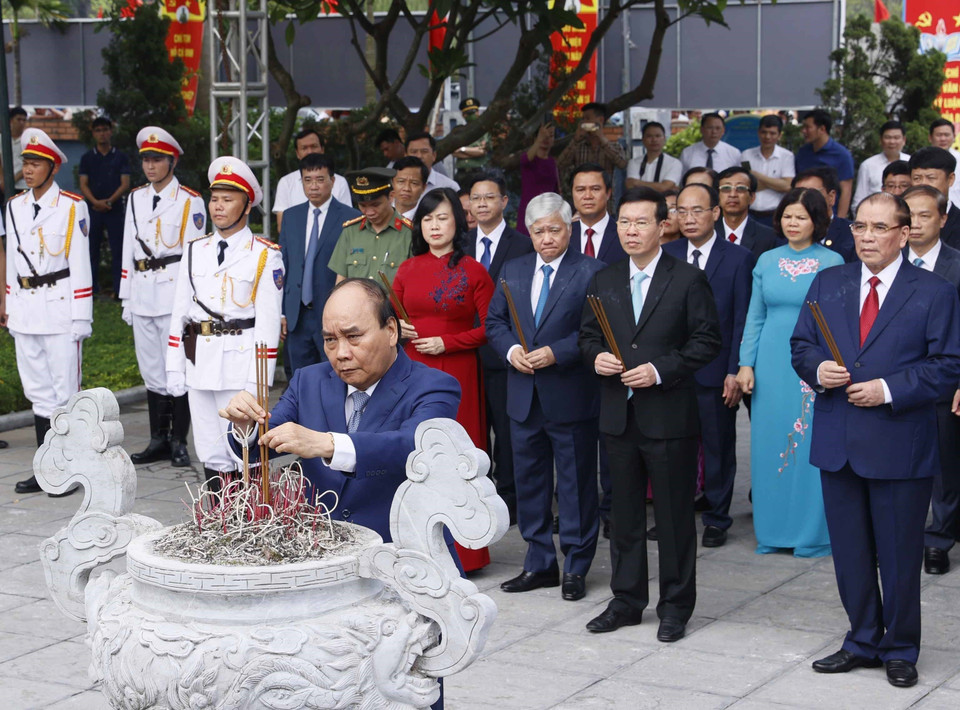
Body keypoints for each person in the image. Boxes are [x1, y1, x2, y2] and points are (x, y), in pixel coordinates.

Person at [791, 191, 960, 689]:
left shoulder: (932, 292)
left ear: (904, 234)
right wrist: (816, 368)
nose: (866, 236)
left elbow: (948, 364)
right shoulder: (829, 282)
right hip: (838, 439)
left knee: (900, 554)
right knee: (850, 552)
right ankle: (862, 639)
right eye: (860, 226)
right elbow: (801, 344)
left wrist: (888, 389)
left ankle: (901, 646)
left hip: (898, 441)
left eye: (879, 227)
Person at [579, 187, 722, 640]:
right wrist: (595, 358)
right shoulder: (604, 279)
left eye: (641, 222)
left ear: (663, 226)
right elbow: (587, 336)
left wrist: (660, 371)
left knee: (676, 516)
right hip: (617, 416)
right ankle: (626, 600)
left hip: (669, 415)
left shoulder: (687, 279)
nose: (631, 230)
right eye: (624, 222)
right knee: (622, 515)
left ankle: (676, 607)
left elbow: (706, 342)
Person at [486, 192, 605, 602]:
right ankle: (539, 562)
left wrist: (559, 352)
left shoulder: (591, 271)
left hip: (570, 392)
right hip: (523, 394)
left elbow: (598, 330)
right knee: (530, 483)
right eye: (539, 231)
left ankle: (575, 563)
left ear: (568, 229)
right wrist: (510, 350)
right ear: (530, 233)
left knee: (575, 484)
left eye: (554, 229)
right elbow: (495, 321)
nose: (547, 238)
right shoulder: (513, 268)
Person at [165, 157, 284, 490]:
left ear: (247, 206)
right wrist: (174, 367)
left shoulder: (264, 254)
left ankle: (247, 520)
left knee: (243, 450)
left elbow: (268, 326)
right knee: (209, 449)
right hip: (200, 361)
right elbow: (180, 314)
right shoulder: (195, 250)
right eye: (215, 198)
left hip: (240, 364)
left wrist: (258, 384)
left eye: (228, 199)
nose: (218, 207)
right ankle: (217, 517)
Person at [393, 187, 495, 572]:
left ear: (458, 222)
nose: (435, 226)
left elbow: (489, 328)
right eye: (428, 218)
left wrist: (448, 342)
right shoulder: (406, 269)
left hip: (457, 371)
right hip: (412, 369)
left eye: (443, 217)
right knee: (414, 456)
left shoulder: (473, 270)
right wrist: (398, 328)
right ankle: (419, 546)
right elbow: (391, 319)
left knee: (456, 459)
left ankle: (468, 554)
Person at [737, 188, 843, 557]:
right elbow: (755, 316)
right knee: (768, 446)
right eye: (787, 216)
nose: (792, 223)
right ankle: (772, 532)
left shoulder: (832, 262)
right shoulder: (765, 261)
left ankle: (811, 534)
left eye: (801, 216)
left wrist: (829, 366)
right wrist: (745, 364)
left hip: (812, 363)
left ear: (817, 220)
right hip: (769, 362)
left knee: (809, 446)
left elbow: (837, 322)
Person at [663, 184, 753, 547]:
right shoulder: (666, 253)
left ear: (715, 213)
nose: (688, 218)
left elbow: (742, 317)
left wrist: (735, 369)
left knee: (718, 446)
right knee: (674, 448)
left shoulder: (738, 257)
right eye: (681, 211)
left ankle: (717, 516)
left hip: (717, 371)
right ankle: (678, 514)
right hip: (670, 371)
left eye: (697, 210)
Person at [6, 128, 92, 496]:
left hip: (59, 309)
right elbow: (11, 261)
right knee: (38, 392)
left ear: (53, 168)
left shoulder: (72, 206)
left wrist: (81, 317)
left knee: (65, 393)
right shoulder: (13, 207)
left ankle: (69, 469)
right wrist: (9, 306)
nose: (28, 169)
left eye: (36, 163)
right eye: (26, 162)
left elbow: (81, 265)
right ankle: (46, 470)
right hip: (26, 310)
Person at [119, 127, 206, 468]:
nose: (150, 166)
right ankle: (158, 438)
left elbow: (194, 256)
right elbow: (129, 248)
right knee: (152, 370)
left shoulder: (189, 200)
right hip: (142, 292)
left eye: (157, 160)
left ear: (172, 162)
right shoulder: (136, 198)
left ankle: (179, 440)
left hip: (173, 295)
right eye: (146, 160)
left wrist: (192, 305)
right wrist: (126, 297)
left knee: (178, 369)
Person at [466, 170, 534, 521]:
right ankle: (477, 496)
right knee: (472, 429)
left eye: (489, 197)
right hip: (464, 354)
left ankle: (510, 497)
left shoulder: (523, 244)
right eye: (476, 197)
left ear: (505, 202)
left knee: (507, 431)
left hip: (506, 353)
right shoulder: (460, 242)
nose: (482, 204)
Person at [901, 185, 960, 576]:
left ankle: (939, 538)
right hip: (894, 380)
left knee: (945, 466)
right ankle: (897, 537)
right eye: (910, 216)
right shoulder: (882, 261)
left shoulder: (957, 265)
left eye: (925, 215)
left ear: (943, 219)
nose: (917, 223)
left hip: (943, 381)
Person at [278, 153, 360, 374]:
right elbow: (283, 265)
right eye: (307, 180)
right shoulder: (291, 216)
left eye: (320, 179)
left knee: (336, 376)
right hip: (297, 314)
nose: (313, 186)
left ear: (332, 181)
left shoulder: (351, 217)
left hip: (334, 313)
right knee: (300, 379)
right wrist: (282, 313)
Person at [328, 168, 412, 282]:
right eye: (362, 205)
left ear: (391, 196)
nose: (369, 212)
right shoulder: (350, 232)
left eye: (375, 204)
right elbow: (341, 280)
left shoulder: (409, 233)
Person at [79, 116, 131, 296]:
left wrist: (109, 201)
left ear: (111, 131)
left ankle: (119, 290)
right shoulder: (87, 158)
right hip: (93, 210)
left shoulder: (120, 156)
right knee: (91, 251)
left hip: (114, 209)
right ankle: (91, 290)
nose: (102, 134)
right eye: (98, 130)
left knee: (118, 251)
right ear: (93, 133)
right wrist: (95, 202)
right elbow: (83, 183)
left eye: (105, 130)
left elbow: (125, 183)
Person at [273, 128, 351, 231]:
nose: (310, 152)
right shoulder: (286, 182)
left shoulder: (340, 182)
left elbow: (347, 222)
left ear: (322, 149)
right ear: (297, 153)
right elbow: (282, 227)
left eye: (314, 146)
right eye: (304, 148)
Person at [556, 102, 627, 200]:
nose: (584, 122)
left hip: (605, 200)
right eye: (583, 119)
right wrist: (575, 139)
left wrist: (601, 138)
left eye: (588, 119)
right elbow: (560, 164)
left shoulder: (614, 146)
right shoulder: (578, 146)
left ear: (601, 120)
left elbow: (622, 163)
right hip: (582, 199)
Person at [794, 109, 855, 218]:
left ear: (822, 129)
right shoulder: (803, 152)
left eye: (808, 127)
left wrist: (839, 221)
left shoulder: (841, 155)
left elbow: (846, 191)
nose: (804, 131)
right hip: (803, 212)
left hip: (828, 214)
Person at [714, 166, 781, 260]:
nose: (733, 194)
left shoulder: (769, 237)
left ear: (752, 197)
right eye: (726, 188)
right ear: (718, 197)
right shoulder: (708, 233)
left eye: (741, 188)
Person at [741, 114, 796, 227]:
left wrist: (755, 174)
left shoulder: (787, 156)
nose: (767, 137)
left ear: (779, 135)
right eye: (764, 132)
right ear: (758, 132)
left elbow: (787, 187)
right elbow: (744, 186)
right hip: (750, 214)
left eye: (772, 133)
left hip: (775, 214)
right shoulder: (746, 155)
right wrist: (777, 183)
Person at [793, 167, 857, 263]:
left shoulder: (853, 234)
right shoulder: (787, 234)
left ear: (831, 197)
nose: (803, 200)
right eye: (797, 194)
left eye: (812, 194)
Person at [569, 163, 627, 264]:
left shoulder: (624, 234)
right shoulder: (564, 235)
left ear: (608, 193)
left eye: (595, 189)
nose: (587, 196)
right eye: (580, 190)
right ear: (572, 194)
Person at [908, 147, 960, 249]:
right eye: (917, 178)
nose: (923, 185)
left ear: (950, 179)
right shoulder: (900, 220)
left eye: (931, 178)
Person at [852, 121, 910, 212]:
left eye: (896, 137)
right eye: (888, 137)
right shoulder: (868, 165)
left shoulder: (911, 162)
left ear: (904, 140)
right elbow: (858, 201)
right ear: (880, 140)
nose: (892, 141)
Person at [515, 122, 560, 235]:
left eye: (551, 135)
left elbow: (556, 190)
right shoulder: (529, 159)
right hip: (529, 211)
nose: (546, 138)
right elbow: (525, 160)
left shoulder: (552, 162)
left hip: (548, 213)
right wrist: (540, 138)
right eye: (544, 135)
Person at [625, 122, 682, 193]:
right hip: (640, 203)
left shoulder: (674, 163)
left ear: (664, 138)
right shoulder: (633, 162)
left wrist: (637, 183)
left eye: (658, 136)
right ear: (643, 139)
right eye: (649, 136)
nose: (654, 140)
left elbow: (664, 187)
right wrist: (660, 186)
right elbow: (630, 186)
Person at [452, 97, 488, 183]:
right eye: (469, 113)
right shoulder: (458, 131)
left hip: (478, 172)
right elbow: (454, 152)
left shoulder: (483, 131)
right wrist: (473, 152)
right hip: (461, 173)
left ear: (478, 112)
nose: (472, 115)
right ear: (463, 115)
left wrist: (462, 149)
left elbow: (481, 151)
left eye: (474, 112)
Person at [929, 118, 960, 209]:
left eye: (946, 135)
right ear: (930, 137)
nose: (943, 139)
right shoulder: (921, 160)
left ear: (954, 137)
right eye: (939, 135)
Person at [0, 106, 28, 193]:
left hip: (22, 185)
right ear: (11, 120)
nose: (21, 123)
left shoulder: (28, 140)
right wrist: (2, 180)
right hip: (3, 185)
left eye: (24, 120)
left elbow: (28, 163)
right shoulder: (2, 139)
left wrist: (13, 180)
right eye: (18, 119)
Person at [392, 155, 428, 220]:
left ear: (424, 188)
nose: (406, 188)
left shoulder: (427, 219)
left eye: (414, 183)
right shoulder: (378, 214)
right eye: (401, 181)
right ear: (392, 183)